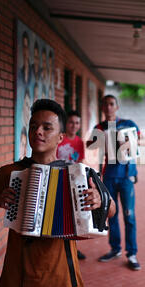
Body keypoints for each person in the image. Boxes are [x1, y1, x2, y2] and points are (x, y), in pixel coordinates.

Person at [0, 99, 115, 287]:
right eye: (33, 126)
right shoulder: (11, 172)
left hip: (60, 281)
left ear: (60, 137)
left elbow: (111, 209)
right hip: (18, 280)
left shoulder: (77, 174)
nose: (38, 131)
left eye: (46, 128)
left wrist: (99, 200)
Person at [87, 94, 145, 271]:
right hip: (109, 175)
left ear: (117, 106)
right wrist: (100, 141)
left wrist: (132, 142)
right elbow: (89, 145)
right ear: (102, 108)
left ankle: (132, 253)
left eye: (111, 104)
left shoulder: (129, 124)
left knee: (129, 215)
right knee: (110, 213)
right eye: (105, 104)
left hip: (127, 175)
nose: (108, 107)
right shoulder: (99, 127)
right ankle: (115, 249)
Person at [56, 110, 86, 260]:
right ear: (66, 123)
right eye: (71, 122)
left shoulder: (80, 142)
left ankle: (73, 247)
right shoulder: (59, 139)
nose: (74, 125)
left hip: (72, 182)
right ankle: (58, 246)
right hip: (57, 180)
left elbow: (80, 163)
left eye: (77, 123)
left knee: (74, 216)